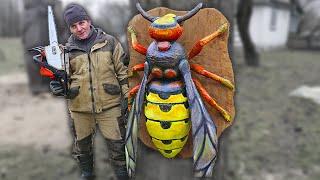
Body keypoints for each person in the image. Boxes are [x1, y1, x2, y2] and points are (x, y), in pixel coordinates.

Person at [49, 3, 129, 180]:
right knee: (82, 146)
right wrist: (58, 87)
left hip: (110, 105)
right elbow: (62, 79)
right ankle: (87, 173)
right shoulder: (66, 51)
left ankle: (122, 174)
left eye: (81, 23)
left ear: (89, 21)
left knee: (117, 145)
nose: (79, 29)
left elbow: (123, 72)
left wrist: (127, 98)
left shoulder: (110, 42)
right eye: (74, 26)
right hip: (79, 108)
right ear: (70, 28)